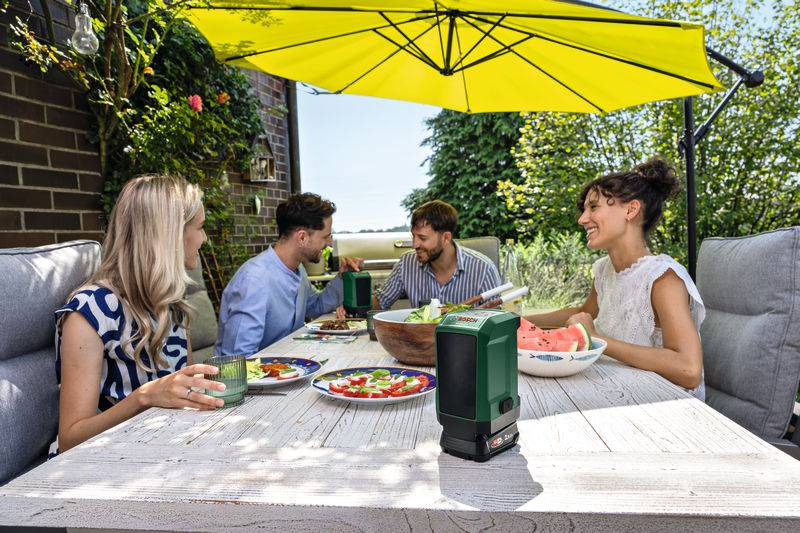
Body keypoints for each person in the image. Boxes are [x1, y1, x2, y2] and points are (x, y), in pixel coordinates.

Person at [55, 175, 225, 454]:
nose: (204, 238)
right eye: (201, 227)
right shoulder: (89, 312)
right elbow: (70, 440)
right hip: (103, 462)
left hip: (170, 449)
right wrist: (144, 397)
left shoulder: (173, 305)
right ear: (169, 235)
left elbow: (188, 392)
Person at [526, 158, 706, 399]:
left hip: (665, 404)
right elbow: (584, 313)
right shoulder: (604, 270)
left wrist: (598, 340)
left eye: (593, 207)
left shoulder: (663, 278)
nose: (582, 219)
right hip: (617, 388)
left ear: (631, 210)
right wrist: (519, 321)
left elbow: (688, 369)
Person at [215, 193, 363, 355]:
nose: (329, 243)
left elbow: (314, 306)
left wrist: (342, 277)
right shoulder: (254, 281)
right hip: (258, 376)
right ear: (302, 238)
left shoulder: (298, 269)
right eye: (326, 237)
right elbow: (237, 358)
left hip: (290, 364)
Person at [377, 200, 502, 310]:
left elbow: (496, 323)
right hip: (419, 336)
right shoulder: (406, 263)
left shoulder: (484, 268)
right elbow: (380, 302)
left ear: (446, 238)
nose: (415, 245)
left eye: (422, 238)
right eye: (413, 236)